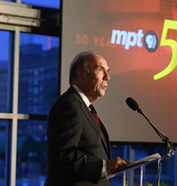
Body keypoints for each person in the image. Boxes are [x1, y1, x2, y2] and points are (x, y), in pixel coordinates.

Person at [44, 50, 129, 186]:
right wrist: (104, 165)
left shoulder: (83, 106)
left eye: (107, 71)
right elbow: (62, 155)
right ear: (81, 74)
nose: (107, 77)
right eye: (101, 70)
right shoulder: (69, 105)